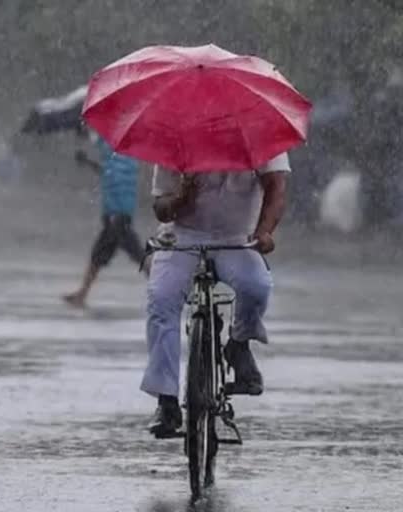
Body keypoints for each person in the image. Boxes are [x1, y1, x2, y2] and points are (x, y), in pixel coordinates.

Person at [143, 154, 290, 437]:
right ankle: (166, 399)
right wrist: (180, 200)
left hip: (237, 239)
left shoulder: (259, 132)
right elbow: (160, 208)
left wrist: (265, 231)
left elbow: (276, 187)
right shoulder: (177, 137)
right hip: (183, 239)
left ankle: (239, 343)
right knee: (161, 299)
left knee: (256, 286)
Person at [63, 130, 149, 308]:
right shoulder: (124, 152)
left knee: (137, 255)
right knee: (101, 255)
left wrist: (114, 214)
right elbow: (108, 171)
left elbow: (113, 176)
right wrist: (87, 161)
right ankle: (82, 294)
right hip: (118, 213)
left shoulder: (115, 149)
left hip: (116, 215)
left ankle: (166, 291)